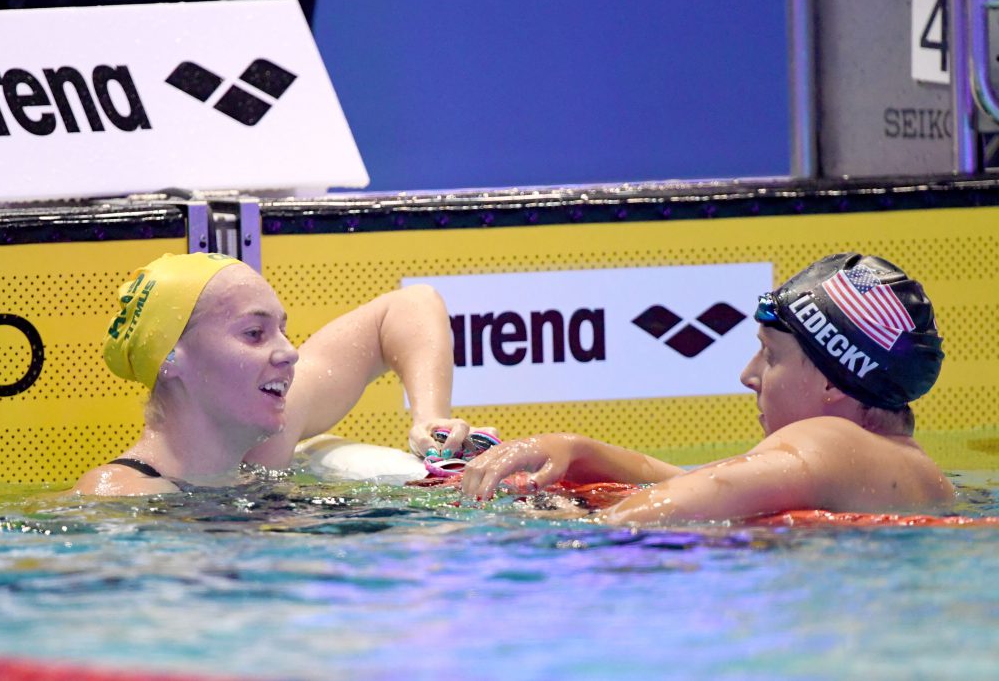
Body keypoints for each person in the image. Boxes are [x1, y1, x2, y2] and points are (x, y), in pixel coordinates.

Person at [460, 253, 955, 524]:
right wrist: (576, 450)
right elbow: (707, 481)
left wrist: (570, 529)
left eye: (772, 354)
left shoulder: (833, 440)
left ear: (832, 378)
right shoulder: (893, 468)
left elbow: (687, 500)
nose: (749, 375)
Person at [73, 252, 474, 496]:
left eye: (282, 329)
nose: (288, 352)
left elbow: (411, 305)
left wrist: (429, 419)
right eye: (254, 333)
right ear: (172, 358)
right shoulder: (121, 496)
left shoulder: (260, 447)